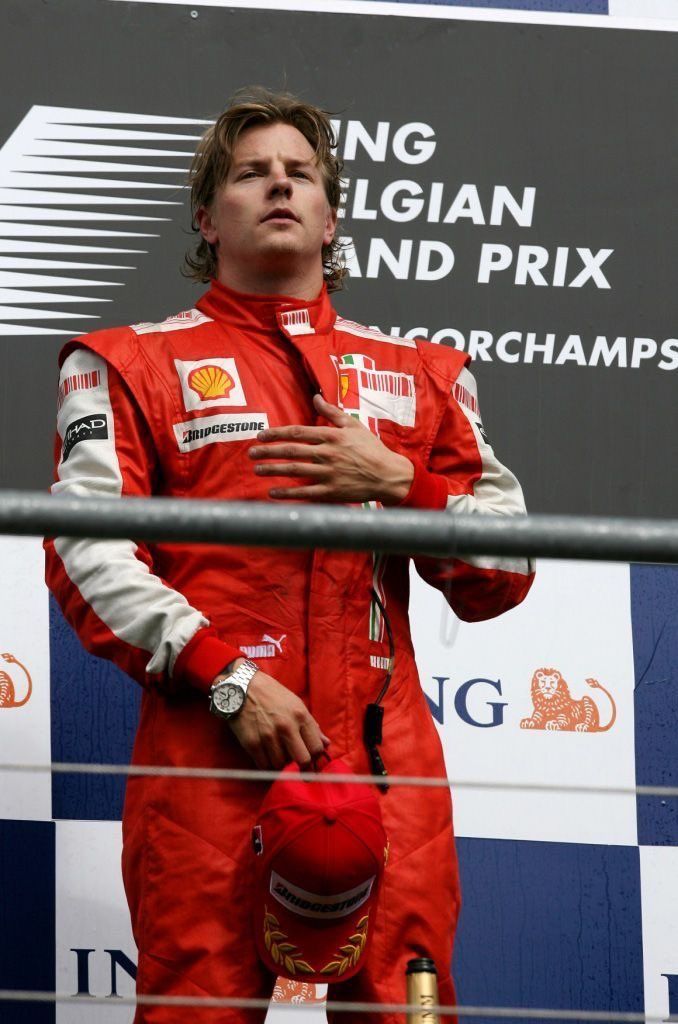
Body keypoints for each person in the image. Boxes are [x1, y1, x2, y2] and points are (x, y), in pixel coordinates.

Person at [45, 87, 535, 1023]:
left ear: (332, 214)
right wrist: (227, 676)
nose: (279, 186)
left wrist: (404, 485)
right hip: (211, 760)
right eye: (249, 173)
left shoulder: (428, 374)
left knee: (408, 1015)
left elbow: (503, 575)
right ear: (205, 215)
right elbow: (86, 555)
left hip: (390, 772)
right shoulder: (123, 363)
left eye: (300, 173)